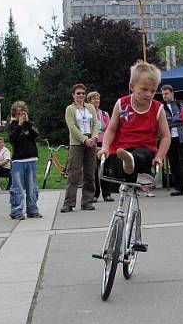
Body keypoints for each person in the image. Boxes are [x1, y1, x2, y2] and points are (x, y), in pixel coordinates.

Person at [99, 61, 170, 187]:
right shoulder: (121, 104)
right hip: (122, 150)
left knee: (142, 155)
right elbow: (111, 130)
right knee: (119, 163)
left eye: (153, 91)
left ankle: (132, 162)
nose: (148, 94)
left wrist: (160, 156)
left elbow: (165, 136)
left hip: (145, 152)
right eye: (144, 89)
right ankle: (134, 171)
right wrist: (105, 147)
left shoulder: (158, 108)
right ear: (132, 87)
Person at [61, 83, 99, 212]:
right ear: (73, 95)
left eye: (83, 93)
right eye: (78, 93)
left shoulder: (90, 108)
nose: (81, 96)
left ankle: (87, 201)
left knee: (90, 172)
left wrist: (93, 137)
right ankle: (69, 203)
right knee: (74, 173)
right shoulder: (70, 109)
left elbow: (95, 124)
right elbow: (72, 127)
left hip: (91, 142)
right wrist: (84, 140)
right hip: (77, 143)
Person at [7, 101, 42, 220]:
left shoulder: (29, 124)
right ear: (14, 114)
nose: (20, 115)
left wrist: (27, 122)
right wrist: (19, 125)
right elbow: (13, 139)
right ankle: (16, 210)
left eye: (22, 113)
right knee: (18, 187)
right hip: (18, 160)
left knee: (32, 187)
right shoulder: (12, 126)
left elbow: (35, 135)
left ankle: (32, 209)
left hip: (31, 158)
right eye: (18, 113)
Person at [161, 84, 183, 196]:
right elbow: (163, 121)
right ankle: (178, 187)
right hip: (169, 138)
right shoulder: (161, 107)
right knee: (173, 163)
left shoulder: (180, 104)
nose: (165, 96)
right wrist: (174, 120)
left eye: (166, 94)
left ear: (172, 93)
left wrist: (170, 120)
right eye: (163, 94)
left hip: (181, 136)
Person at [87, 91, 113, 203]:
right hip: (93, 143)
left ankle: (106, 194)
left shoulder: (104, 114)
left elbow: (110, 128)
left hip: (104, 144)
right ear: (89, 101)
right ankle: (95, 194)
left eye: (98, 98)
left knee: (104, 168)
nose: (96, 101)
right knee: (93, 169)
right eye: (94, 99)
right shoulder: (87, 114)